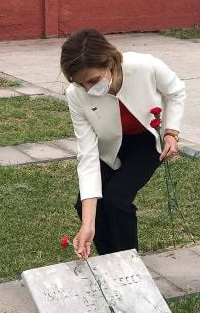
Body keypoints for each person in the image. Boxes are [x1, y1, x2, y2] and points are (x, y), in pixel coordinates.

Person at [60, 28, 186, 259]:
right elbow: (87, 156)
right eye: (81, 84)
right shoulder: (75, 95)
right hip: (109, 146)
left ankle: (129, 264)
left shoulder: (144, 66)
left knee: (117, 199)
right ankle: (111, 262)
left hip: (146, 142)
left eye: (93, 81)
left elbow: (176, 92)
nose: (88, 90)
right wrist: (87, 225)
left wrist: (171, 133)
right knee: (85, 206)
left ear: (109, 62)